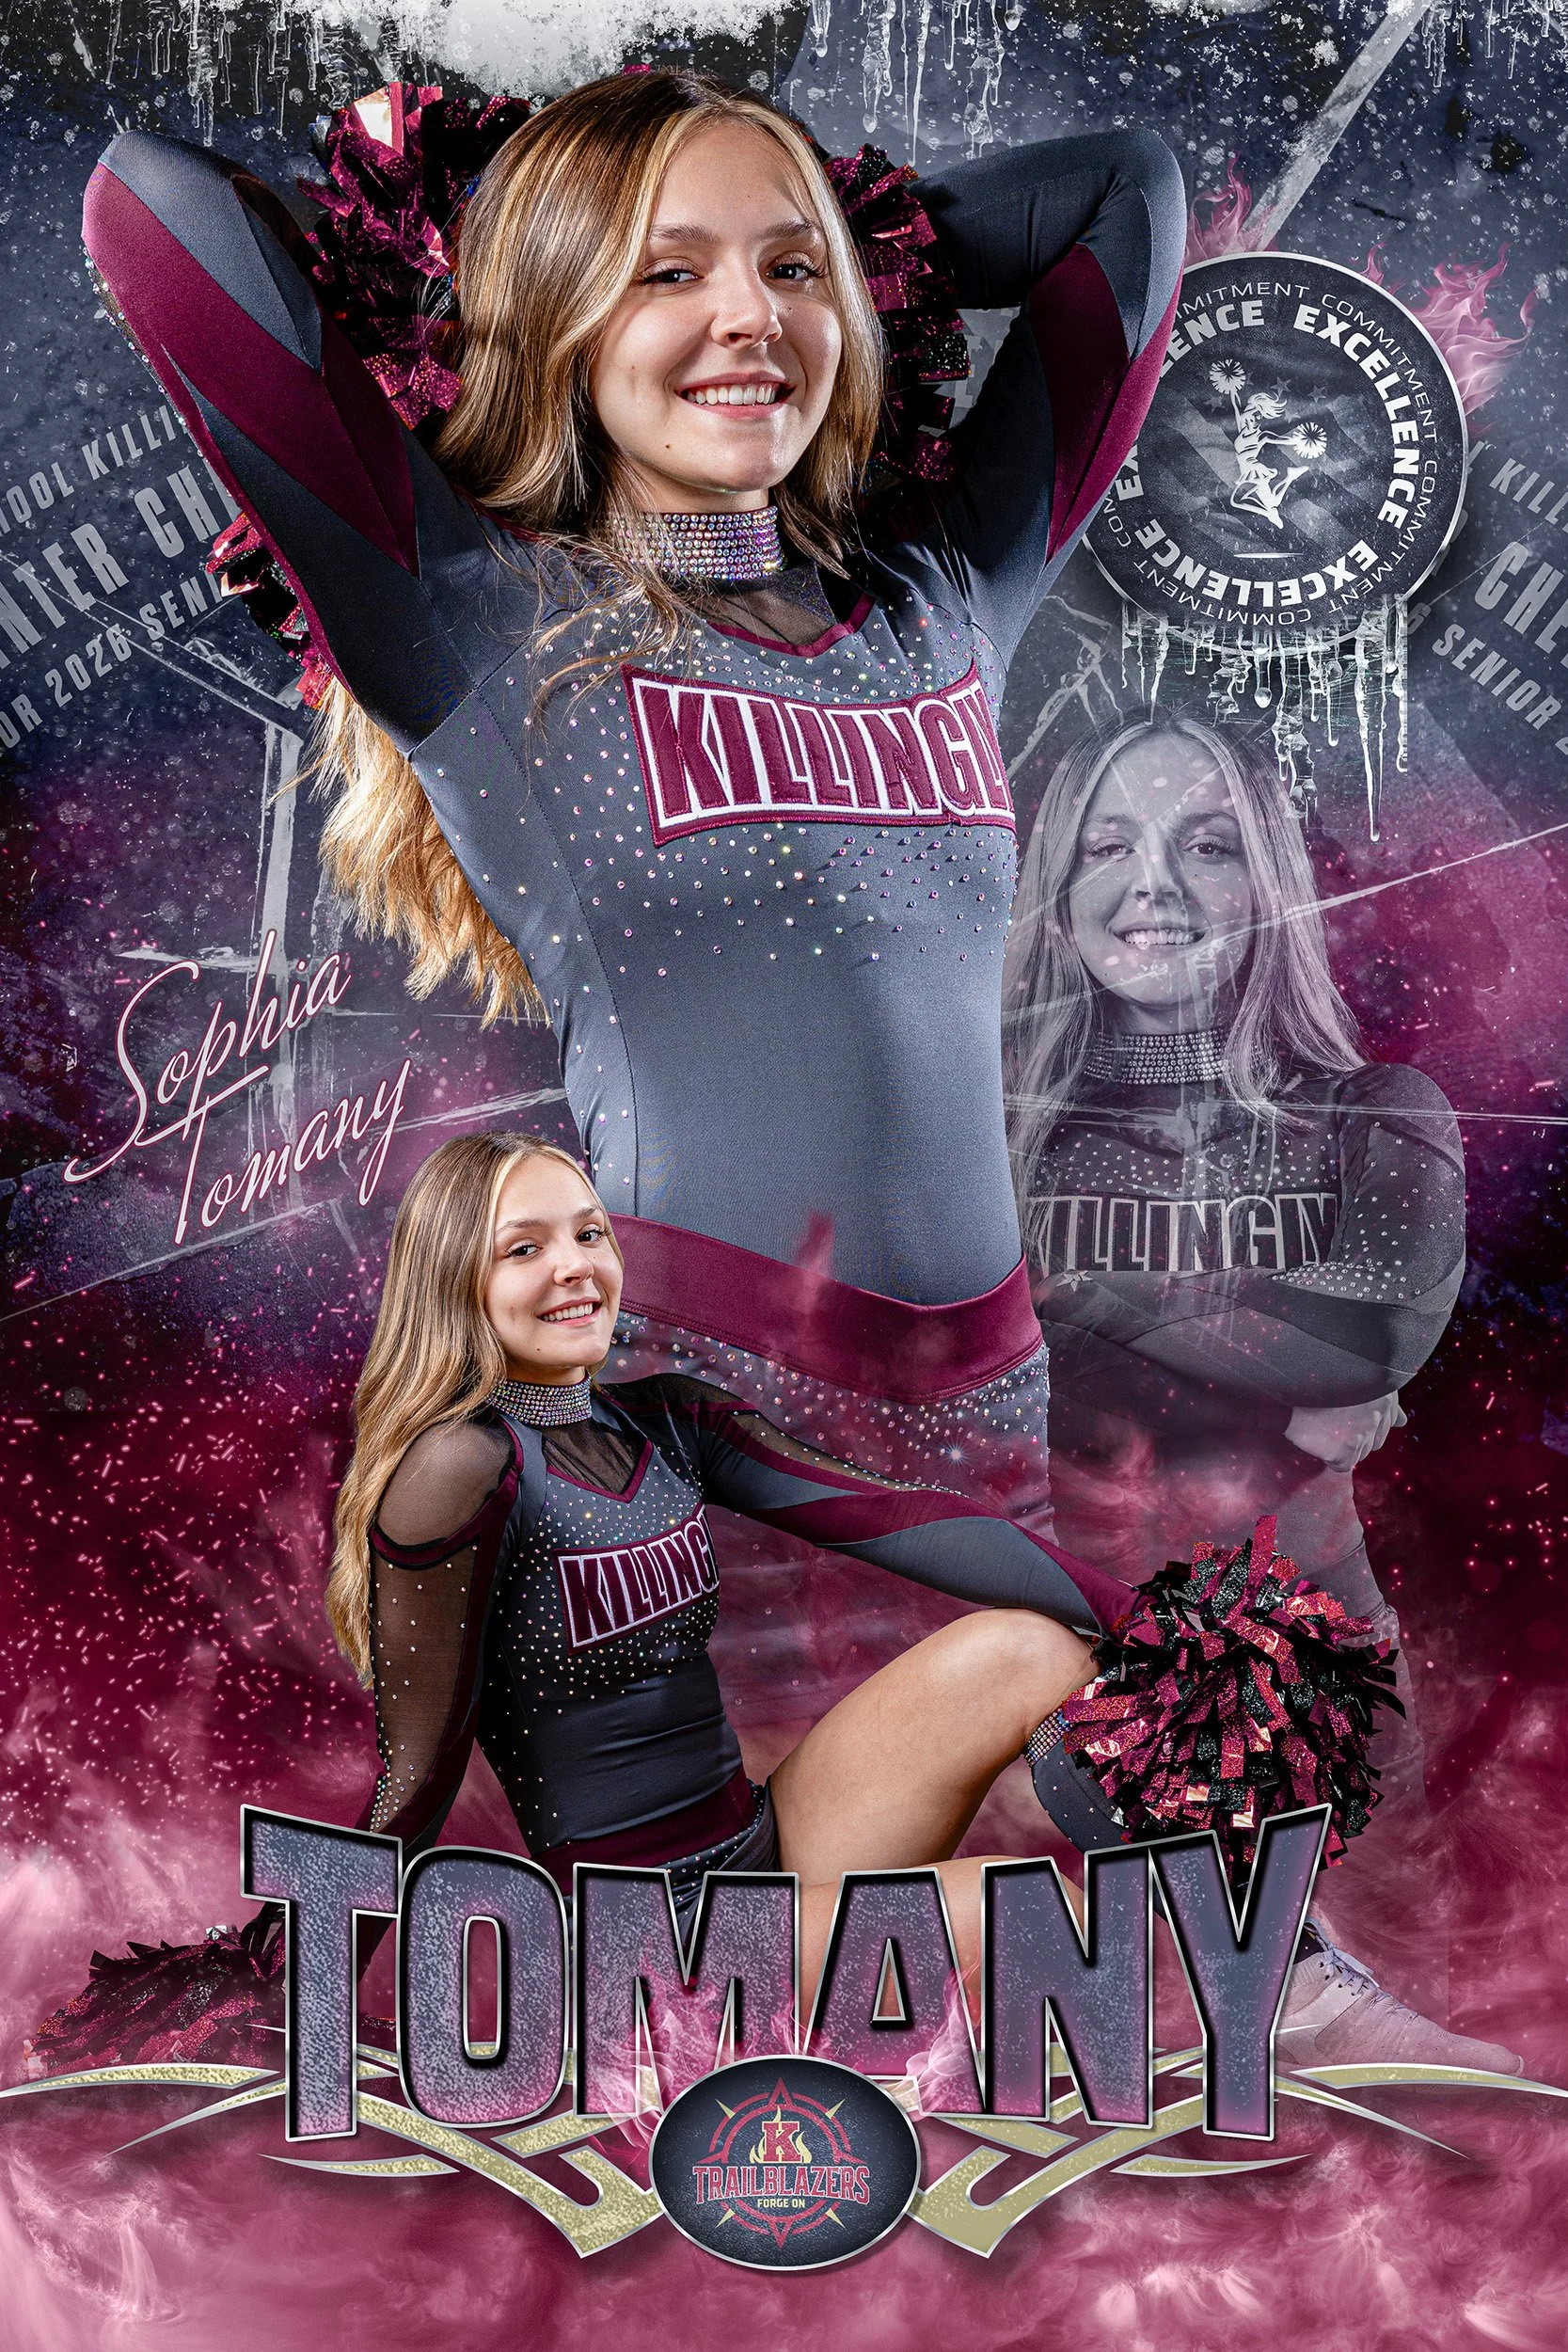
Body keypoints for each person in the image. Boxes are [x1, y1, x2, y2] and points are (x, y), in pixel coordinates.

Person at [79, 71, 1186, 1742]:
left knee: (1052, 1894)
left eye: (791, 270)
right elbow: (145, 204)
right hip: (695, 1445)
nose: (747, 315)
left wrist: (835, 221)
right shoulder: (466, 613)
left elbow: (1131, 189)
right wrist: (532, 222)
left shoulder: (942, 596)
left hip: (987, 1418)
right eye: (666, 273)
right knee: (751, 1964)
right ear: (557, 312)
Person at [31, 1131, 1415, 2081]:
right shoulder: (455, 1469)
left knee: (1032, 1645)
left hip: (764, 1839)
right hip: (663, 1941)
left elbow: (913, 1524)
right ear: (458, 1277)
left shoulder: (667, 1423)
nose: (574, 1265)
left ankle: (1292, 1980)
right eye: (524, 1249)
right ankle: (1164, 2028)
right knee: (1045, 1915)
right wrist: (290, 1984)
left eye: (585, 1230)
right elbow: (416, 1769)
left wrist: (1167, 1623)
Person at [1001, 714, 1507, 2070]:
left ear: (1265, 887)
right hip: (1038, 1681)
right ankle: (1280, 1995)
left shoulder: (1375, 1113)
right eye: (1108, 842)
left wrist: (1063, 1297)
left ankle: (1301, 1998)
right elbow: (906, 1382)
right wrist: (1253, 1357)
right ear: (1055, 886)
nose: (1152, 879)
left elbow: (1358, 1344)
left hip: (1308, 1689)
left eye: (1207, 847)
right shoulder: (982, 1130)